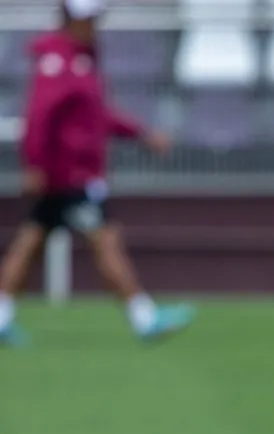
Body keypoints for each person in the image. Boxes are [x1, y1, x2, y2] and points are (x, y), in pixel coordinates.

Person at [0, 0, 194, 346]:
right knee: (105, 241)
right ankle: (143, 317)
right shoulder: (58, 62)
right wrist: (35, 165)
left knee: (29, 242)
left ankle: (0, 316)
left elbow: (96, 116)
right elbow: (39, 118)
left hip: (70, 175)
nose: (94, 25)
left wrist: (141, 135)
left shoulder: (80, 59)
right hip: (68, 177)